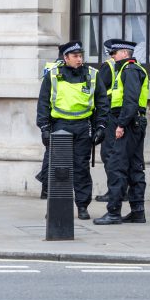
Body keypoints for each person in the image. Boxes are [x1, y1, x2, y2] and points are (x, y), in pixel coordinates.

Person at [36, 41, 109, 220]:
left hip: (83, 127)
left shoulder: (92, 74)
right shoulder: (53, 75)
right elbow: (43, 103)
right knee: (58, 170)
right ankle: (55, 206)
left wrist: (101, 126)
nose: (79, 59)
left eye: (81, 55)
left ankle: (82, 206)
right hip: (60, 126)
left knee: (81, 169)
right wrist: (44, 128)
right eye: (75, 56)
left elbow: (102, 102)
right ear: (65, 57)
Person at [94, 40, 148, 225]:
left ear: (125, 53)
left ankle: (114, 212)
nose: (112, 56)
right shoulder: (130, 69)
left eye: (115, 53)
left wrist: (121, 125)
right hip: (134, 123)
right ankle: (137, 212)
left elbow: (130, 101)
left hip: (127, 122)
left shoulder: (130, 70)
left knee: (117, 166)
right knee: (135, 167)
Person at [94, 39, 122, 203]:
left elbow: (99, 91)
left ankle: (114, 191)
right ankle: (120, 190)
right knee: (121, 155)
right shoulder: (132, 66)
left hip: (111, 113)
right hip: (124, 114)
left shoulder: (108, 66)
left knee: (109, 153)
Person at [34, 53, 64, 200]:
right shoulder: (59, 70)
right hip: (56, 119)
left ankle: (45, 186)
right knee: (53, 156)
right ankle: (46, 186)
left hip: (52, 119)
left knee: (50, 155)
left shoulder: (51, 67)